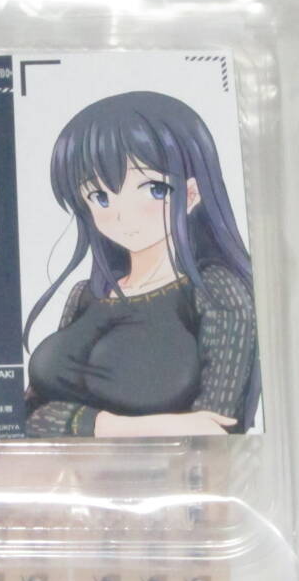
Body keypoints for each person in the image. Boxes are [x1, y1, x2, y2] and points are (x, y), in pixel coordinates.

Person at [23, 91, 261, 437]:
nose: (123, 216)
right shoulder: (85, 294)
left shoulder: (217, 290)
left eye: (154, 189)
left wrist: (77, 424)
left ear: (192, 194)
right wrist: (117, 426)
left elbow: (216, 432)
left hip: (165, 472)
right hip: (56, 470)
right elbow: (28, 416)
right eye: (100, 196)